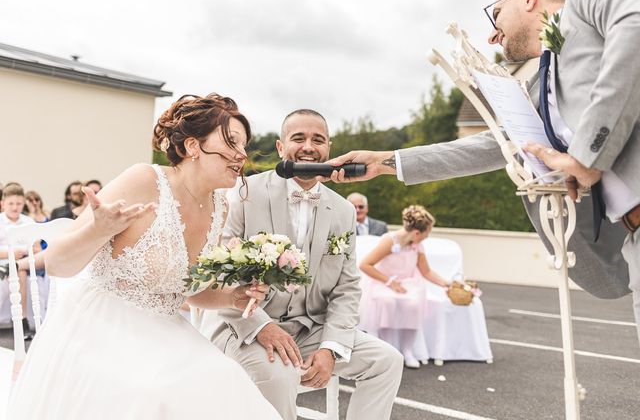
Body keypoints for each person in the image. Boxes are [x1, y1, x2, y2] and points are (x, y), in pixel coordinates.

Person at [326, 0, 640, 344]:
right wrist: (386, 162)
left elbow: (635, 26)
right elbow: (496, 145)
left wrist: (588, 157)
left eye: (495, 14)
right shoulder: (541, 85)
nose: (492, 35)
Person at [8, 94, 281, 420]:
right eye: (232, 142)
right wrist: (97, 229)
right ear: (194, 146)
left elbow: (189, 290)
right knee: (158, 393)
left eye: (244, 145)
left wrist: (232, 297)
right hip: (102, 326)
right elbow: (56, 264)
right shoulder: (144, 180)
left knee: (228, 380)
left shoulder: (220, 206)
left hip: (165, 330)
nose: (242, 155)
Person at [196, 109, 403, 420]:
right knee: (280, 377)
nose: (309, 146)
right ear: (281, 147)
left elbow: (347, 287)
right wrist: (263, 327)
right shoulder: (242, 194)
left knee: (387, 360)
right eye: (298, 138)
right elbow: (220, 274)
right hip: (243, 327)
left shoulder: (344, 210)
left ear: (329, 149)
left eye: (317, 140)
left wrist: (331, 347)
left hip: (310, 331)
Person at [359, 205, 449, 368]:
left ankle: (407, 351)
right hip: (384, 282)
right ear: (416, 233)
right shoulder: (389, 240)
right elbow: (365, 265)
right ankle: (388, 350)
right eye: (427, 233)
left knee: (413, 304)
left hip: (408, 283)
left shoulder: (417, 246)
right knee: (387, 302)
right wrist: (390, 282)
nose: (427, 236)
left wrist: (446, 284)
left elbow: (426, 272)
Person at [0, 184, 40, 340]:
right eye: (11, 203)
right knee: (18, 271)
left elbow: (37, 248)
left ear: (23, 203)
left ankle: (22, 320)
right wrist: (11, 253)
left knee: (20, 270)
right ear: (3, 203)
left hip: (23, 261)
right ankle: (21, 321)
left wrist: (22, 252)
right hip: (3, 259)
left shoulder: (28, 221)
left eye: (18, 204)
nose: (15, 207)